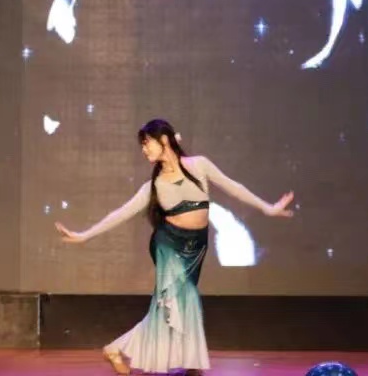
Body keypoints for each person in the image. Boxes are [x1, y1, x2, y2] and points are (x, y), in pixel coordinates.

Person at [54, 119, 295, 376]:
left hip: (196, 245)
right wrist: (85, 235)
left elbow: (233, 187)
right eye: (142, 145)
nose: (144, 150)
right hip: (168, 244)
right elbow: (121, 213)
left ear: (164, 140)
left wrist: (268, 208)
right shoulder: (154, 186)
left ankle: (115, 349)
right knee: (185, 297)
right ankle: (193, 362)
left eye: (147, 143)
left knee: (169, 306)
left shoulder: (199, 165)